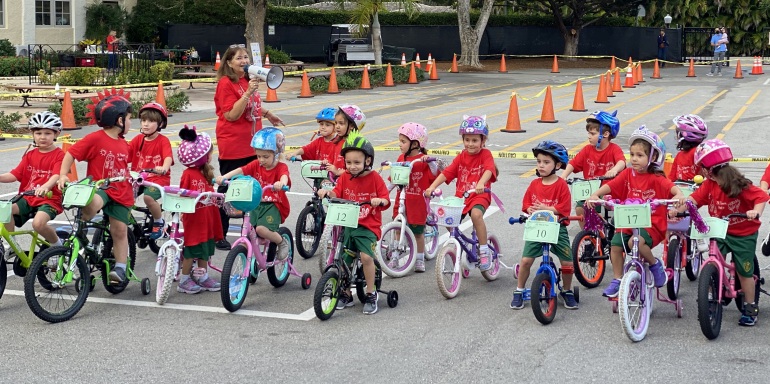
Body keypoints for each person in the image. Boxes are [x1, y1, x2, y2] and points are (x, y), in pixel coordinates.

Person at [675, 139, 768, 326]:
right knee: (714, 261)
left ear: (709, 168)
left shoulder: (740, 184)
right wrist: (679, 207)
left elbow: (761, 196)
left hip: (744, 233)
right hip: (721, 230)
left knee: (744, 271)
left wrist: (755, 211)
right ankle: (712, 294)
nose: (700, 170)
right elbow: (695, 198)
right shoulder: (709, 184)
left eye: (702, 167)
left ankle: (750, 306)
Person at [586, 126, 685, 297]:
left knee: (635, 243)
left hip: (651, 224)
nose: (634, 159)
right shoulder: (627, 174)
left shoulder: (657, 178)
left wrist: (680, 196)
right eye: (632, 155)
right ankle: (617, 279)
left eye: (640, 155)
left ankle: (655, 265)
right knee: (616, 244)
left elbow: (674, 190)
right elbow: (611, 186)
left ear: (653, 157)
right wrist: (596, 194)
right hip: (629, 222)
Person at [57, 94, 134, 284]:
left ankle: (121, 268)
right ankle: (79, 236)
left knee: (119, 231)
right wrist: (62, 174)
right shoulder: (95, 139)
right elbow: (71, 154)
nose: (131, 122)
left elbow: (127, 166)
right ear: (119, 120)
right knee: (92, 204)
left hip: (122, 191)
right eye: (130, 118)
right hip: (101, 187)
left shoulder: (124, 144)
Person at [214, 44, 284, 250]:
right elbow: (231, 115)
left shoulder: (247, 80)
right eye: (238, 58)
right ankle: (220, 233)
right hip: (234, 145)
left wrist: (267, 114)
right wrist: (247, 93)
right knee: (228, 189)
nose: (244, 61)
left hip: (254, 145)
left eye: (246, 57)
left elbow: (253, 105)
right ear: (228, 63)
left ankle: (251, 229)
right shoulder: (226, 84)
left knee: (254, 188)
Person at [316, 131, 390, 315]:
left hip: (367, 227)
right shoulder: (344, 177)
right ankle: (346, 292)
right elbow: (336, 192)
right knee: (343, 260)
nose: (352, 166)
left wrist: (378, 201)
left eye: (357, 162)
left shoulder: (374, 178)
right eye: (348, 163)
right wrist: (327, 192)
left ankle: (371, 293)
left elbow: (386, 199)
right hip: (348, 225)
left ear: (367, 161)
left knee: (366, 258)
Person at [424, 115, 498, 271]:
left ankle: (483, 249)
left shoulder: (485, 155)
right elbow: (447, 173)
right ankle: (461, 244)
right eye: (467, 140)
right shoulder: (461, 156)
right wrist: (431, 187)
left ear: (483, 141)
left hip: (479, 195)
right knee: (446, 218)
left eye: (475, 140)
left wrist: (481, 183)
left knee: (476, 215)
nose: (470, 144)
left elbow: (489, 170)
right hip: (462, 198)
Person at [511, 141, 577, 310]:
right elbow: (526, 204)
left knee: (568, 263)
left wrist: (547, 208)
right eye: (539, 161)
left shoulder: (561, 185)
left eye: (546, 162)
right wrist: (529, 209)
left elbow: (564, 208)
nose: (541, 165)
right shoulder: (534, 184)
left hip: (556, 228)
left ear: (558, 165)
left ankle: (567, 290)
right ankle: (519, 290)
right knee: (526, 261)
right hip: (537, 227)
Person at [216, 127, 291, 261]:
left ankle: (281, 242)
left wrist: (280, 183)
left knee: (261, 229)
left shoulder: (280, 167)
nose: (261, 160)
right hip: (255, 204)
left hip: (273, 206)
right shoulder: (256, 164)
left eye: (266, 156)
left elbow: (284, 176)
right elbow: (241, 170)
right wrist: (224, 177)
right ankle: (250, 262)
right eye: (259, 156)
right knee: (248, 231)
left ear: (277, 153)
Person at [0, 111, 65, 247]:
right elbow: (15, 175)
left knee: (38, 224)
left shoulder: (59, 155)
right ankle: (12, 246)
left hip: (50, 199)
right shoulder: (30, 155)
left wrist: (46, 186)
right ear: (33, 134)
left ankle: (57, 247)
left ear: (56, 134)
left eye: (47, 133)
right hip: (28, 197)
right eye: (38, 133)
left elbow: (57, 174)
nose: (42, 137)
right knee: (4, 210)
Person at [176, 126, 223, 294]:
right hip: (195, 218)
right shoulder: (188, 174)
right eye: (210, 152)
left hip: (207, 216)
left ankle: (202, 276)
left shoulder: (206, 172)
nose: (212, 155)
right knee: (192, 248)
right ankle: (184, 279)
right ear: (203, 156)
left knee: (205, 247)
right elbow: (183, 195)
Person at [560, 110, 625, 228]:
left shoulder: (614, 149)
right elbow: (573, 163)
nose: (589, 136)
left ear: (605, 134)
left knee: (610, 219)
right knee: (580, 207)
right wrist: (564, 175)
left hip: (608, 192)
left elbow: (621, 162)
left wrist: (614, 170)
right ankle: (587, 236)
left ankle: (611, 231)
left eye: (592, 133)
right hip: (590, 190)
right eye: (589, 133)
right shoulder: (587, 150)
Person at [391, 122, 439, 273]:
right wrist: (385, 192)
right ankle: (395, 255)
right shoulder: (401, 158)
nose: (400, 144)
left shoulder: (423, 159)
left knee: (418, 232)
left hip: (417, 201)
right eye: (400, 141)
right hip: (402, 199)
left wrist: (429, 161)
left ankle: (419, 258)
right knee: (398, 227)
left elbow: (435, 173)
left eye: (403, 142)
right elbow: (394, 178)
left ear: (415, 144)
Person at [128, 102, 173, 239]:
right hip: (139, 177)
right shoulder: (138, 139)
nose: (146, 124)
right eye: (143, 120)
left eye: (151, 121)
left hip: (158, 178)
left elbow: (168, 158)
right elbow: (125, 154)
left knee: (148, 197)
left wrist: (164, 168)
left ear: (160, 124)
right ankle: (125, 222)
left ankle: (159, 222)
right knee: (123, 195)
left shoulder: (163, 141)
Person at [326, 104, 366, 178]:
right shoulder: (337, 142)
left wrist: (338, 172)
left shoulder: (355, 145)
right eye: (336, 123)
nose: (337, 126)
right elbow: (330, 159)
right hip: (335, 181)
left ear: (352, 126)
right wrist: (326, 162)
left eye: (341, 123)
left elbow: (357, 168)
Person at [669, 114, 708, 182]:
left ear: (680, 136)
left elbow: (671, 179)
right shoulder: (702, 152)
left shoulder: (680, 155)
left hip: (682, 190)